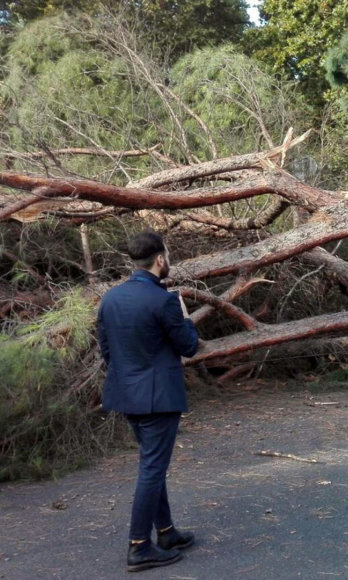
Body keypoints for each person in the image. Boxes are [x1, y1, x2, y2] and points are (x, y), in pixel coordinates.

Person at [97, 230, 200, 573]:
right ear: (159, 259)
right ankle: (139, 547)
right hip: (158, 400)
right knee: (152, 470)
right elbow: (188, 345)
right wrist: (185, 316)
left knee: (151, 467)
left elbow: (107, 351)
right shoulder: (163, 300)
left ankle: (166, 533)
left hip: (127, 396)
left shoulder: (109, 299)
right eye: (167, 256)